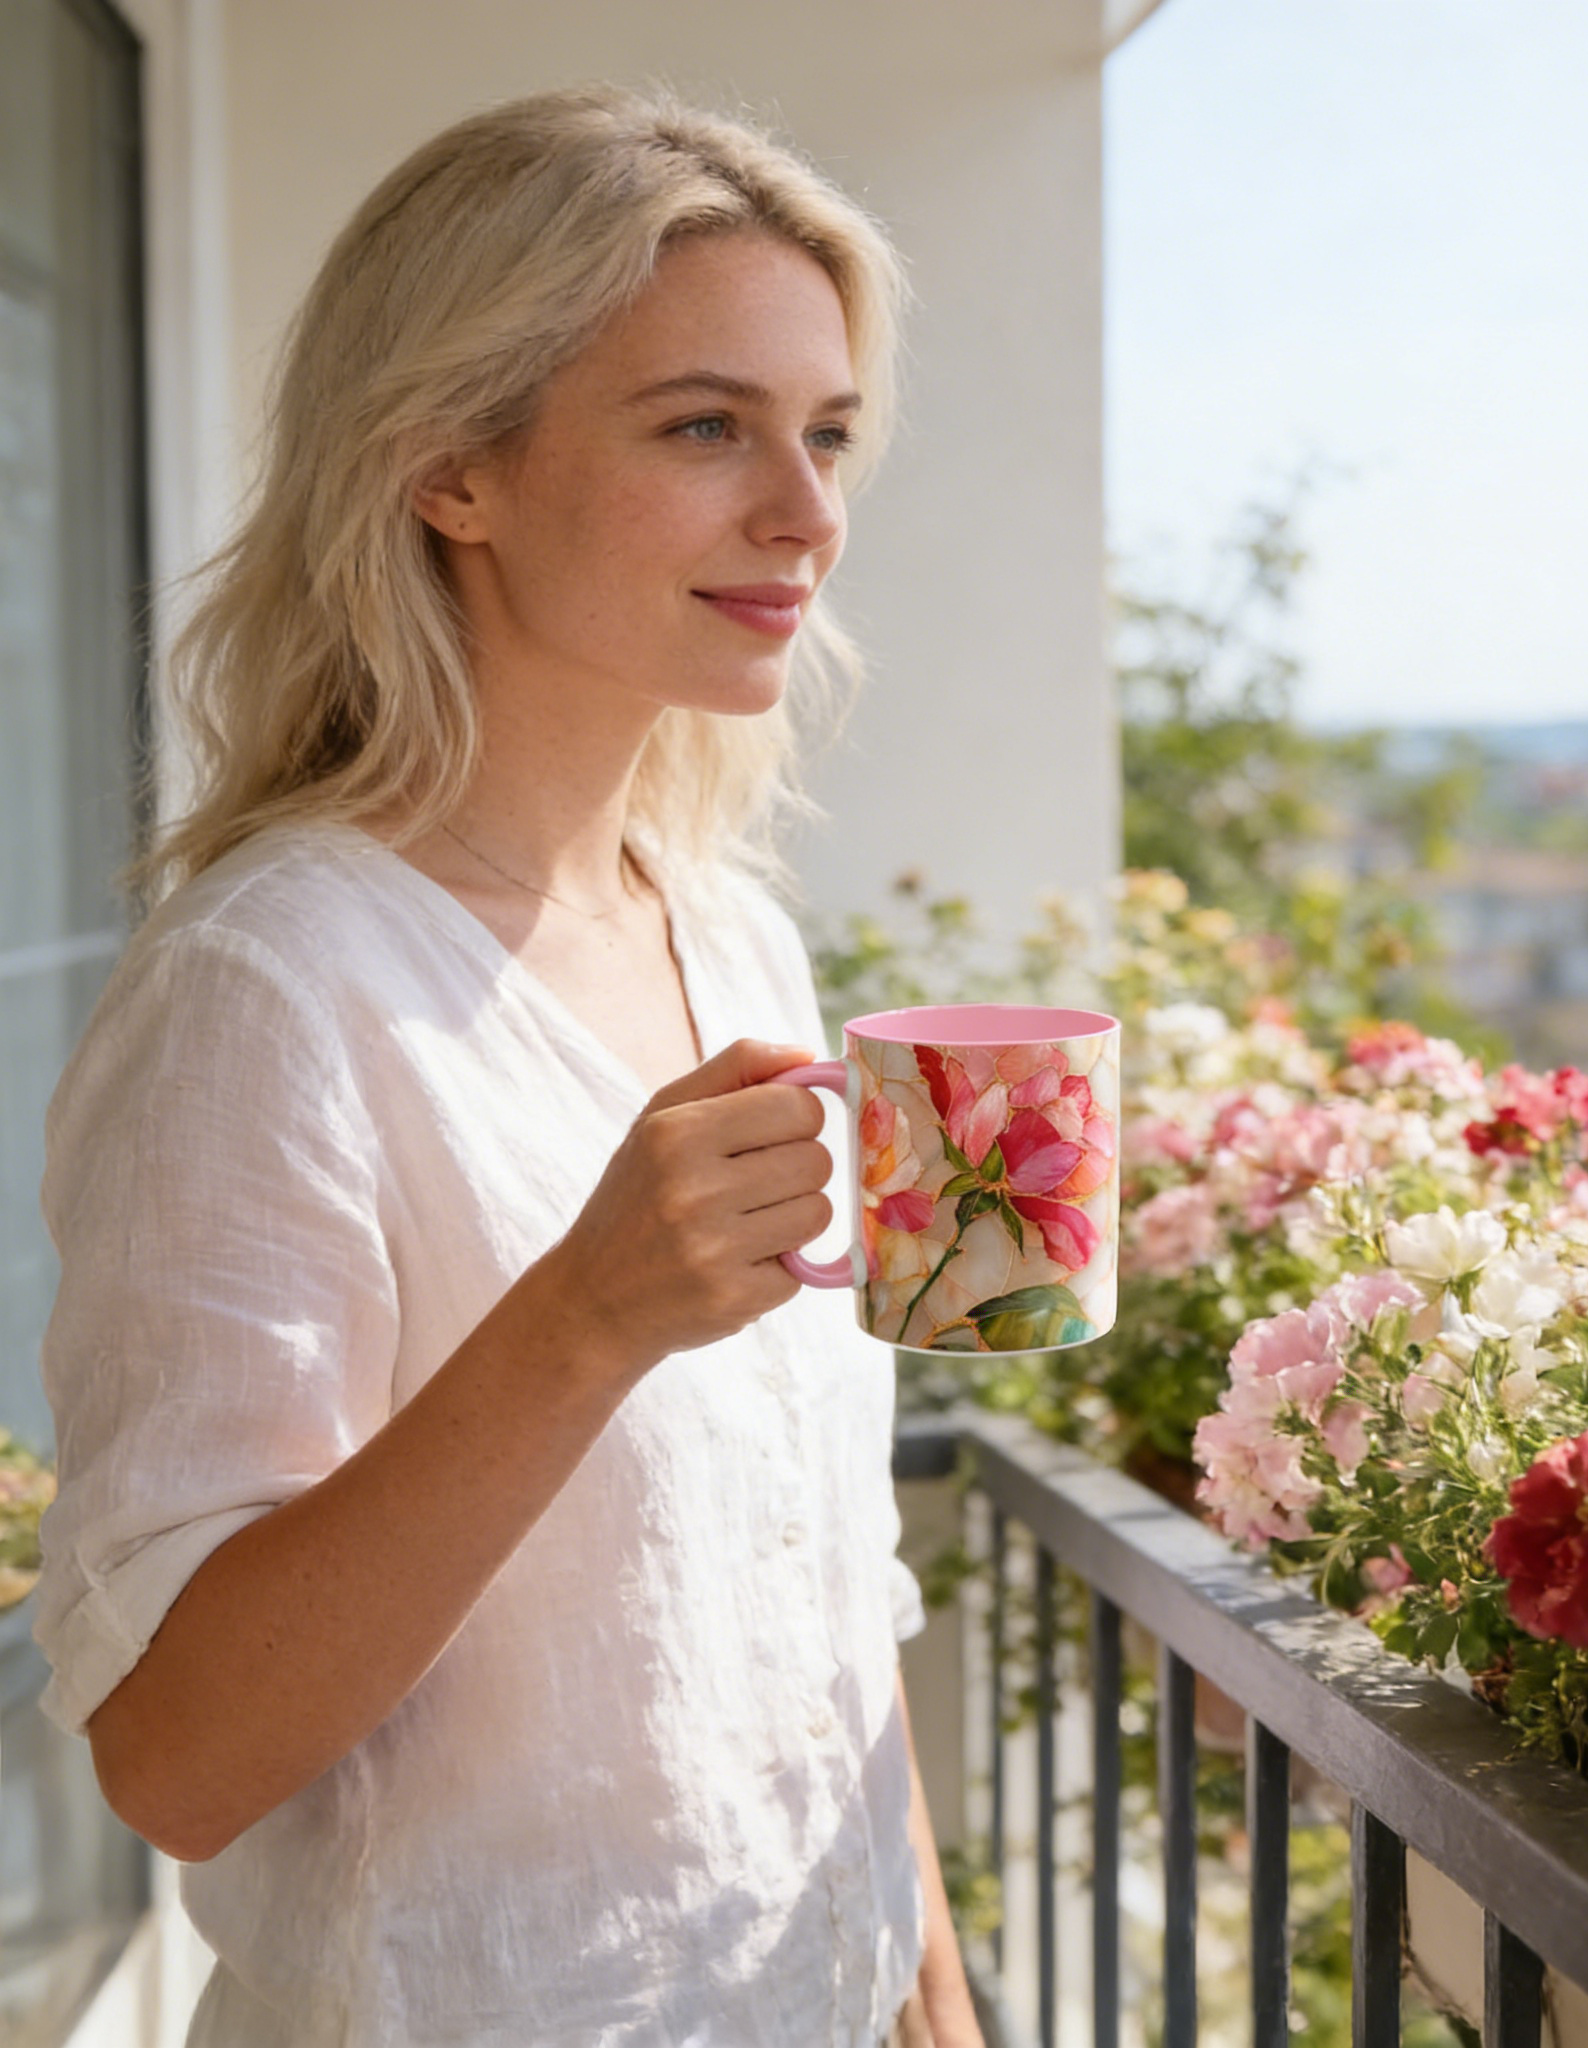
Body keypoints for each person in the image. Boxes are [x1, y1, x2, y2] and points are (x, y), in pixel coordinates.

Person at [33, 84, 984, 2048]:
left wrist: (935, 1993)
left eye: (826, 434)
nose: (805, 514)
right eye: (704, 425)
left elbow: (817, 1583)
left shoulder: (727, 931)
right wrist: (579, 1320)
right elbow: (175, 1756)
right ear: (452, 463)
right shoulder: (268, 988)